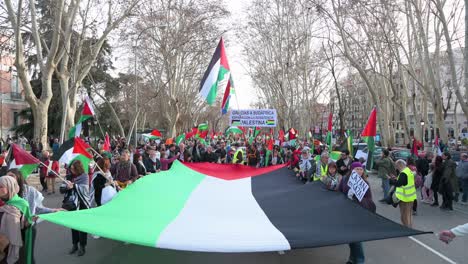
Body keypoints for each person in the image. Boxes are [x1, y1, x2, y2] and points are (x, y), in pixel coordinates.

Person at [6, 168, 61, 262]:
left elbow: (37, 209)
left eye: (11, 176)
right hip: (10, 229)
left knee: (27, 256)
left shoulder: (30, 191)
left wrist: (53, 210)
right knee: (11, 256)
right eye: (7, 176)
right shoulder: (4, 191)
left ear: (18, 178)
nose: (8, 179)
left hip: (27, 229)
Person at [338, 162, 375, 264]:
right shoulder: (345, 180)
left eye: (361, 169)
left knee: (357, 239)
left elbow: (369, 201)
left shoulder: (365, 183)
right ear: (352, 170)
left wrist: (358, 198)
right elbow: (339, 192)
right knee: (350, 238)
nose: (359, 171)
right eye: (357, 169)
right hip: (346, 212)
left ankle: (359, 260)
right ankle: (352, 259)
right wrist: (346, 196)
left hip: (359, 213)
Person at [60, 160, 91, 256]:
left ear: (78, 168)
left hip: (82, 204)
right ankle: (75, 245)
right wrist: (67, 188)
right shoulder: (68, 176)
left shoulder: (84, 176)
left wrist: (73, 186)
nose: (71, 170)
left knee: (82, 226)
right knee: (73, 226)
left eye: (73, 169)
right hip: (72, 205)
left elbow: (85, 190)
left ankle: (82, 246)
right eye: (71, 168)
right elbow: (61, 189)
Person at [0, 176, 33, 264]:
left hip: (16, 245)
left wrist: (29, 222)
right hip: (2, 246)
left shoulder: (22, 204)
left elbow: (26, 226)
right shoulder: (2, 203)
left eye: (1, 187)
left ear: (10, 187)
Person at [389, 159, 417, 228]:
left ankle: (406, 228)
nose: (396, 168)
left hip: (404, 198)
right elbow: (404, 182)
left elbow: (399, 184)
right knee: (409, 214)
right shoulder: (408, 171)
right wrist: (396, 178)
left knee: (404, 215)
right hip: (411, 196)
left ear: (399, 165)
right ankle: (409, 227)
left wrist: (391, 180)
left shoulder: (403, 173)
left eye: (396, 166)